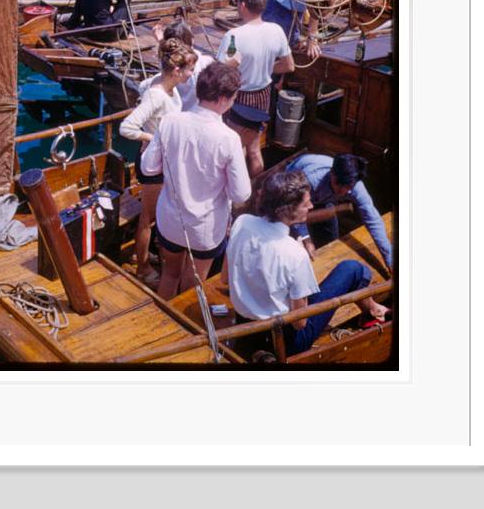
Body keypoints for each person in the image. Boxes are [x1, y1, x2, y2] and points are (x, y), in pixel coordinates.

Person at [227, 170, 389, 356]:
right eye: (306, 203)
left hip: (244, 328)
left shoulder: (242, 222)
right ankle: (373, 311)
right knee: (353, 269)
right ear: (289, 209)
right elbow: (300, 323)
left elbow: (226, 278)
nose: (312, 206)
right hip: (283, 341)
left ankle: (373, 309)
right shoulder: (295, 253)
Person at [140, 61, 251, 299]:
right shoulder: (229, 139)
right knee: (193, 283)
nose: (233, 103)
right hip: (204, 230)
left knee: (169, 274)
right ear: (223, 99)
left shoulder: (169, 122)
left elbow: (148, 168)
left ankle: (163, 323)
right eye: (233, 98)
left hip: (170, 221)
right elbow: (241, 194)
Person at [119, 38, 197, 287]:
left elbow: (144, 89)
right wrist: (152, 137)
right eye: (189, 69)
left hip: (162, 160)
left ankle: (142, 254)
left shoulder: (163, 87)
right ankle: (142, 267)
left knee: (154, 215)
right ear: (176, 70)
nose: (191, 73)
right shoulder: (157, 95)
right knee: (148, 218)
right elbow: (127, 127)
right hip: (153, 161)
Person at [216, 0, 295, 176]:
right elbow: (289, 66)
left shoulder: (234, 36)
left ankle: (236, 195)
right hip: (263, 96)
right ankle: (254, 186)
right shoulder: (276, 30)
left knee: (233, 151)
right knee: (253, 148)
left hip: (238, 98)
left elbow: (218, 72)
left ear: (243, 6)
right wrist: (266, 68)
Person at [285, 152, 393, 272]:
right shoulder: (311, 179)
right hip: (293, 191)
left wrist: (389, 258)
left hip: (324, 196)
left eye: (348, 188)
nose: (343, 192)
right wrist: (306, 237)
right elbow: (293, 209)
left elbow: (372, 218)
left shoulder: (355, 186)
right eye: (339, 186)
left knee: (332, 238)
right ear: (332, 174)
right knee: (294, 243)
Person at [146, 19, 213, 112]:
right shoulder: (205, 62)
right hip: (196, 114)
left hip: (175, 112)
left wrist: (161, 40)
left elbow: (169, 51)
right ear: (192, 40)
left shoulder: (166, 61)